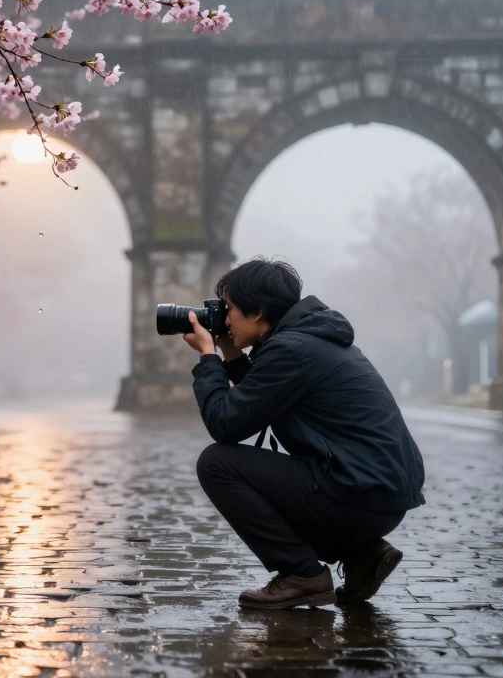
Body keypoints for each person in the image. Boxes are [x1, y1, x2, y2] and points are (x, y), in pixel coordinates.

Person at [182, 257, 425, 610]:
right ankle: (361, 553)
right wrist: (230, 354)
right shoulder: (310, 339)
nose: (224, 319)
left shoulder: (290, 350)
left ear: (257, 311)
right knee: (280, 478)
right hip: (378, 494)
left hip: (360, 495)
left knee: (217, 464)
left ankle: (303, 574)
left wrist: (208, 358)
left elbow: (225, 423)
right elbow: (262, 398)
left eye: (229, 308)